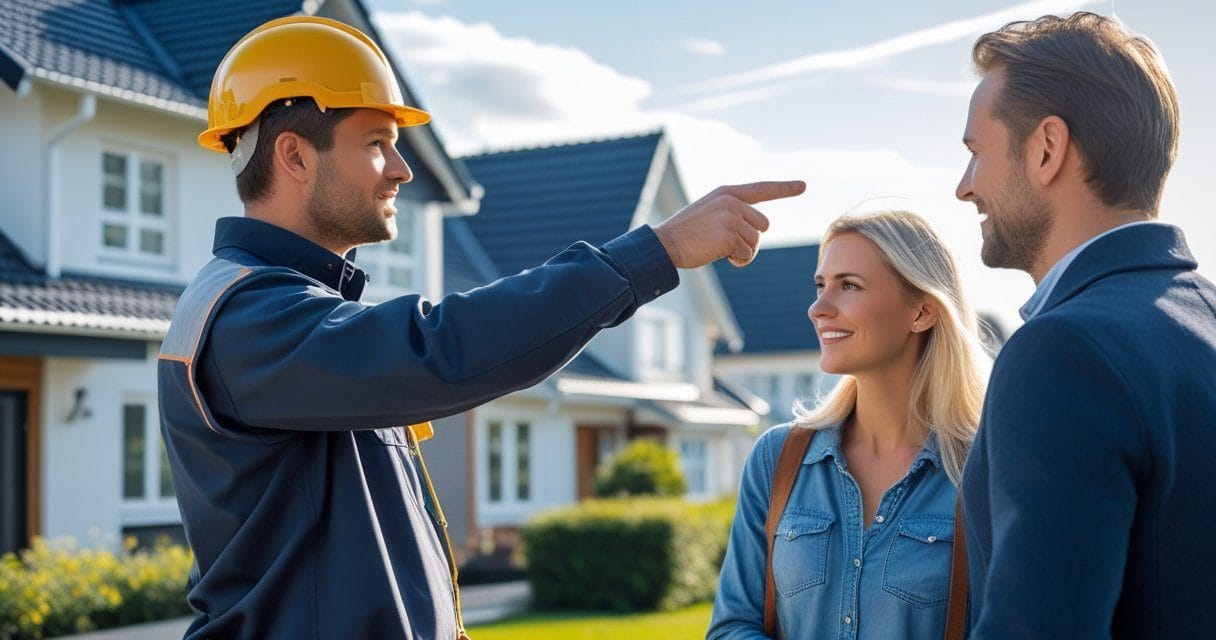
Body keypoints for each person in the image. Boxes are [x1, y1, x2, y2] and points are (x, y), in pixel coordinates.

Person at [158, 15, 804, 640]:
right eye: (376, 144)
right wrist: (652, 253)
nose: (403, 170)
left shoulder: (300, 312)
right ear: (295, 156)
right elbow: (440, 350)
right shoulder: (248, 317)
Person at [955, 12, 1216, 638]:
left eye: (974, 154)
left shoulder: (1062, 352)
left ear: (1048, 149)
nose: (964, 187)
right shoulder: (1202, 318)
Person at [707, 210, 989, 639]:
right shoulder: (778, 458)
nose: (818, 308)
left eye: (849, 286)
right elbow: (732, 627)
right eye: (821, 286)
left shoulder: (985, 468)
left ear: (922, 312)